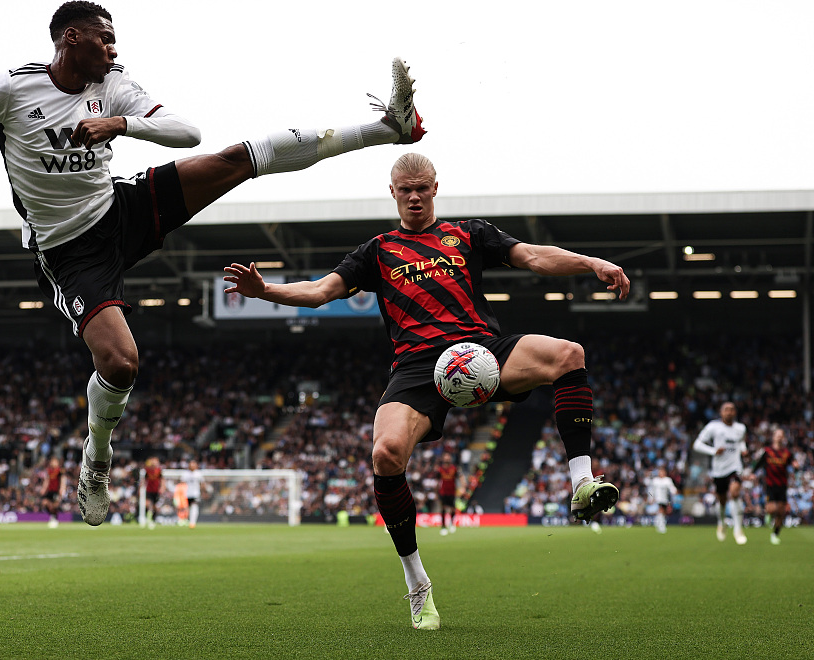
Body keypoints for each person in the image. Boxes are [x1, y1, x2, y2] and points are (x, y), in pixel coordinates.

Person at [0, 1, 426, 527]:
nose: (114, 48)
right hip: (67, 250)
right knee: (122, 361)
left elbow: (186, 132)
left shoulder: (113, 86)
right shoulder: (7, 88)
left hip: (120, 207)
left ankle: (384, 127)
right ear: (69, 39)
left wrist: (123, 123)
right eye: (103, 38)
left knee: (236, 157)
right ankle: (96, 457)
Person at [223, 152, 628, 630]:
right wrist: (264, 289)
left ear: (435, 187)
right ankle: (418, 586)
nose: (414, 196)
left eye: (422, 188)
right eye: (405, 189)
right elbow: (319, 292)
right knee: (386, 454)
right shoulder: (376, 251)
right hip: (417, 366)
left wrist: (592, 262)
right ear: (392, 192)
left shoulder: (470, 233)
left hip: (480, 349)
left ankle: (581, 482)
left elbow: (534, 257)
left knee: (569, 354)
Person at [692, 401, 748, 545]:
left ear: (735, 413)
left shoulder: (741, 428)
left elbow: (741, 442)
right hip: (719, 469)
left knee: (735, 493)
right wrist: (713, 451)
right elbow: (697, 444)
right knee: (722, 500)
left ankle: (738, 529)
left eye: (732, 409)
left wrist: (744, 449)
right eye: (726, 410)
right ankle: (721, 522)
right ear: (721, 412)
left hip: (735, 467)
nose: (729, 412)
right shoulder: (713, 427)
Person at [751, 427, 796, 545]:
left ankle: (775, 534)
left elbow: (793, 463)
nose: (779, 437)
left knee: (781, 512)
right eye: (777, 435)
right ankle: (768, 514)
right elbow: (759, 464)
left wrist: (796, 465)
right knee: (772, 509)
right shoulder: (767, 451)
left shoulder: (787, 453)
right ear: (773, 437)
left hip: (782, 485)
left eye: (781, 435)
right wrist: (752, 473)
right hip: (770, 484)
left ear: (784, 438)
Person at [646, 464, 677, 534]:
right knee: (661, 510)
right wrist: (651, 498)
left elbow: (672, 488)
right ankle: (661, 526)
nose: (661, 473)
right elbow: (651, 491)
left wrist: (674, 491)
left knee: (663, 512)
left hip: (665, 499)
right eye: (660, 472)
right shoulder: (655, 480)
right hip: (657, 499)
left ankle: (660, 523)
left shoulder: (667, 480)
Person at [41, 456, 68, 528]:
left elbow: (63, 479)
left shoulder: (59, 470)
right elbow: (47, 480)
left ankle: (55, 518)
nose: (53, 463)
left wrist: (62, 488)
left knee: (55, 505)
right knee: (45, 502)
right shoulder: (49, 471)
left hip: (56, 490)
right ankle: (52, 516)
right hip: (50, 490)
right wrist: (44, 489)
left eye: (54, 461)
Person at [437, 453, 458, 535]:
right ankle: (443, 527)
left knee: (453, 508)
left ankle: (452, 523)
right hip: (443, 491)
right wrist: (436, 492)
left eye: (448, 458)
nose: (447, 459)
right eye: (445, 458)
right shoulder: (440, 469)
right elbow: (437, 481)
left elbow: (458, 477)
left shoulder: (454, 468)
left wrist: (462, 486)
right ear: (443, 459)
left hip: (452, 491)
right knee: (443, 508)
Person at [143, 457, 163, 529]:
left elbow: (162, 479)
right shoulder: (147, 470)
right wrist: (141, 488)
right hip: (149, 490)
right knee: (148, 504)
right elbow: (144, 479)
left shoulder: (159, 471)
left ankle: (153, 519)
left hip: (156, 490)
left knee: (154, 506)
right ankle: (147, 518)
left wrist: (162, 487)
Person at [183, 460, 204, 529]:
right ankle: (185, 520)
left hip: (195, 493)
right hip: (186, 493)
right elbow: (182, 484)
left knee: (194, 506)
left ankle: (192, 522)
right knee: (186, 508)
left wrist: (201, 491)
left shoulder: (198, 474)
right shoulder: (185, 474)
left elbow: (202, 484)